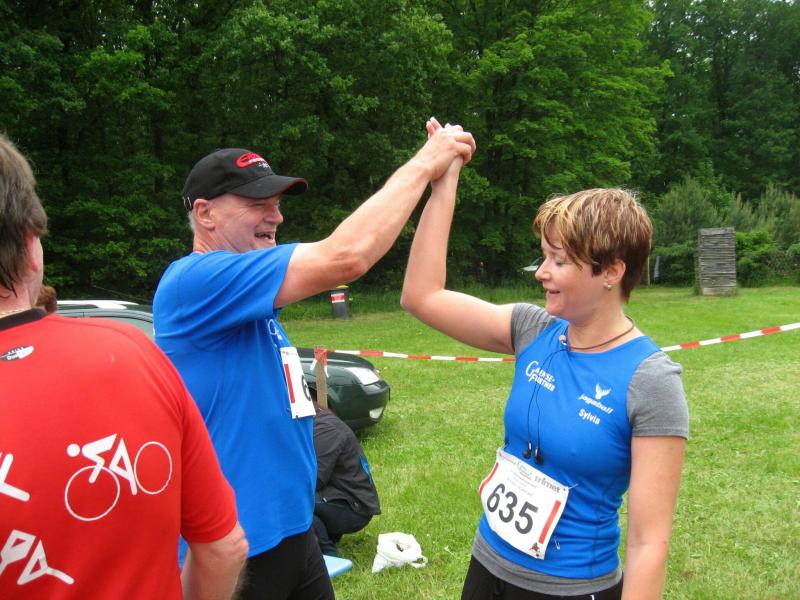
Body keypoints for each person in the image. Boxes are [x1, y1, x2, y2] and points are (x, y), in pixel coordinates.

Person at [152, 121, 475, 599]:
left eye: (277, 203)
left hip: (294, 533)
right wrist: (427, 162)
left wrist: (443, 181)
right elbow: (347, 257)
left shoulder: (245, 299)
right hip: (234, 553)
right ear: (205, 213)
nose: (277, 216)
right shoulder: (194, 282)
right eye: (258, 204)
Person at [401, 123, 688, 600]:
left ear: (611, 271)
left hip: (571, 588)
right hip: (487, 566)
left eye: (558, 260)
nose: (541, 272)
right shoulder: (534, 330)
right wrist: (443, 184)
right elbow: (421, 295)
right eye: (543, 257)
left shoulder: (651, 380)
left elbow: (648, 543)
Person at [0, 133, 248, 599]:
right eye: (257, 203)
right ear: (31, 244)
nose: (275, 216)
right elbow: (224, 547)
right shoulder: (132, 350)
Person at [313, 403, 381, 557]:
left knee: (293, 502)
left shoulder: (325, 430)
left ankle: (327, 553)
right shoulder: (320, 423)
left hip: (354, 509)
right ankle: (327, 535)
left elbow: (314, 480)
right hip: (343, 496)